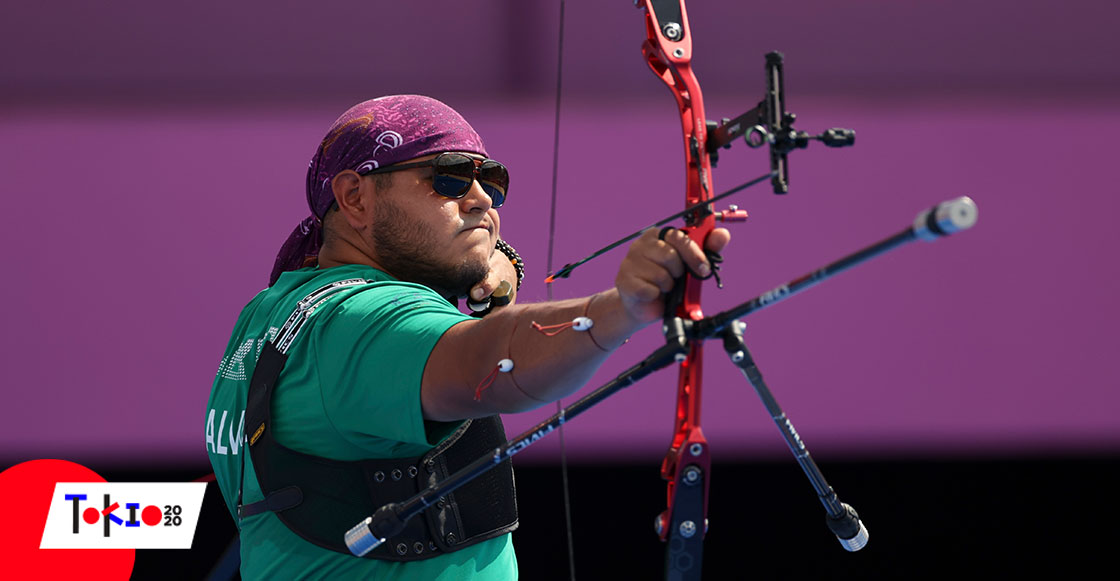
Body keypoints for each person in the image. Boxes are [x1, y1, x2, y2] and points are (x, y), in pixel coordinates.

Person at [205, 94, 729, 580]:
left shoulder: (272, 310)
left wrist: (496, 266)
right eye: (447, 179)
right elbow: (487, 360)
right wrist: (621, 309)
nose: (482, 200)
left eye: (490, 181)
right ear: (355, 197)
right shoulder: (362, 320)